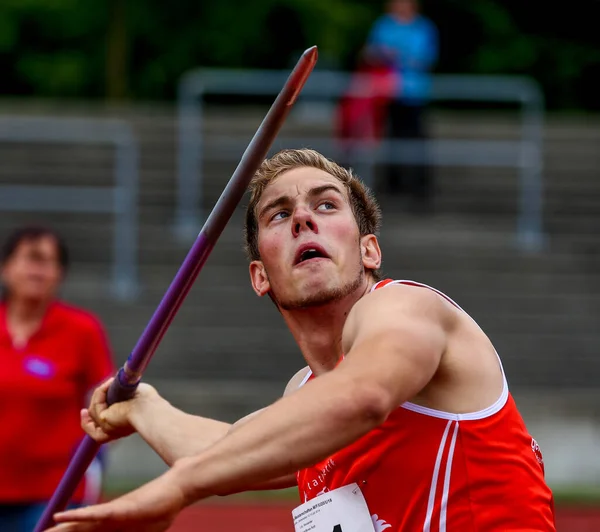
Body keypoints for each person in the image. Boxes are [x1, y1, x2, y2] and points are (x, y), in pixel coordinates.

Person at [49, 149, 555, 531]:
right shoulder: (306, 395)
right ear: (259, 276)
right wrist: (142, 408)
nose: (303, 218)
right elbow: (227, 448)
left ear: (369, 250)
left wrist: (180, 489)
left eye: (326, 205)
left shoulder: (406, 307)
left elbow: (363, 397)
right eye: (278, 214)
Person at [0, 226, 115, 532]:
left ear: (60, 274)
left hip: (54, 493)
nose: (38, 271)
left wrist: (96, 461)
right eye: (30, 259)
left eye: (48, 262)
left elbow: (107, 402)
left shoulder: (82, 330)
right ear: (6, 268)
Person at [364, 0, 438, 209]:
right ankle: (392, 185)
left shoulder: (423, 27)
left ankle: (420, 187)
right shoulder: (384, 25)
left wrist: (393, 55)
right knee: (390, 138)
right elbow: (372, 53)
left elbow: (423, 58)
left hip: (415, 94)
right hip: (387, 93)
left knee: (416, 139)